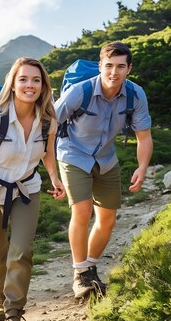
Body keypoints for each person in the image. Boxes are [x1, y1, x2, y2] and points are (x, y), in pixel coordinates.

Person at [0, 57, 66, 321]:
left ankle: (13, 315)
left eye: (36, 80)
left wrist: (54, 178)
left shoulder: (48, 121)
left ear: (43, 85)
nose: (29, 85)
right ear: (12, 84)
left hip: (27, 190)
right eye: (23, 79)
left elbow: (47, 153)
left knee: (21, 251)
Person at [54, 42, 153, 299]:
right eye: (109, 66)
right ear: (101, 66)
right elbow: (48, 125)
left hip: (106, 158)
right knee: (82, 210)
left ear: (129, 68)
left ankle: (90, 267)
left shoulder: (135, 94)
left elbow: (144, 136)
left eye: (121, 66)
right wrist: (49, 171)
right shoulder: (79, 92)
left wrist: (142, 167)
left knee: (107, 218)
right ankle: (79, 274)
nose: (114, 72)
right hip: (73, 154)